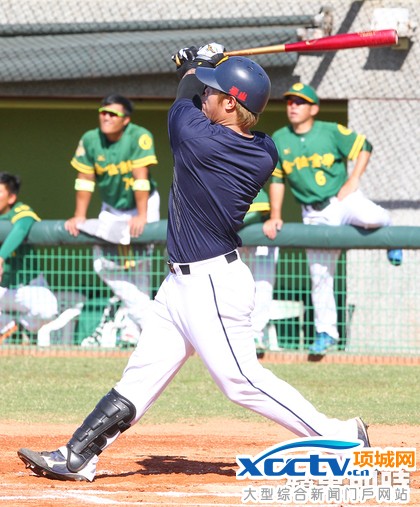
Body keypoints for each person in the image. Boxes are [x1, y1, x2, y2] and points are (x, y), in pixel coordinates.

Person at [17, 45, 370, 482]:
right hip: (180, 284)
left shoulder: (198, 138)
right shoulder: (264, 149)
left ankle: (342, 437)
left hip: (212, 284)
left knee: (240, 381)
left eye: (215, 93)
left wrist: (195, 64)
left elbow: (184, 96)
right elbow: (199, 97)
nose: (206, 96)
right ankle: (77, 455)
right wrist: (207, 65)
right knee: (140, 376)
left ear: (231, 104)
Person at [263, 82, 402, 356]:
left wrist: (354, 179)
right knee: (320, 275)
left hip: (342, 199)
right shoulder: (280, 138)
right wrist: (276, 215)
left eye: (300, 102)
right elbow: (277, 179)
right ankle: (326, 332)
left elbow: (365, 146)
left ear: (313, 108)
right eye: (290, 101)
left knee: (373, 216)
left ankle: (392, 237)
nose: (293, 106)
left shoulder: (330, 130)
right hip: (313, 212)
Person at [65, 94, 160, 347]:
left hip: (143, 203)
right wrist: (80, 214)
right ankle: (151, 323)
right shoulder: (90, 139)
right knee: (103, 263)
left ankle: (132, 329)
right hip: (111, 208)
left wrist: (141, 215)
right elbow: (84, 180)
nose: (106, 117)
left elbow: (141, 178)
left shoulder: (139, 135)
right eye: (103, 112)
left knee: (140, 265)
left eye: (113, 114)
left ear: (125, 119)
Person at [0, 172, 58, 343]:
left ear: (11, 197)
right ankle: (7, 327)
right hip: (2, 290)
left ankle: (21, 327)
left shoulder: (20, 210)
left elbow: (22, 227)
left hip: (27, 288)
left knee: (48, 309)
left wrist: (0, 258)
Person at [240, 188, 279, 356]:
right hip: (235, 243)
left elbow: (254, 214)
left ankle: (256, 335)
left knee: (262, 288)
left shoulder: (251, 186)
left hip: (263, 240)